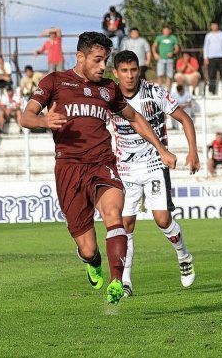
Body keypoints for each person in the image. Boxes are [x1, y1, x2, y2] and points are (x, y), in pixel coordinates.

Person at [20, 32, 177, 304]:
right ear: (80, 57)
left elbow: (135, 118)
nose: (103, 66)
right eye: (97, 60)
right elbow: (26, 116)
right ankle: (92, 262)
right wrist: (45, 121)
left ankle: (118, 282)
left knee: (114, 214)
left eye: (104, 59)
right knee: (88, 247)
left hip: (103, 163)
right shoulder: (55, 82)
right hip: (69, 168)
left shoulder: (108, 88)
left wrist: (161, 149)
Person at [112, 50, 199, 296]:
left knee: (162, 219)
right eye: (124, 71)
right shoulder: (110, 96)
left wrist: (193, 152)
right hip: (125, 169)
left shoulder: (154, 92)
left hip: (154, 164)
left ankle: (183, 256)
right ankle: (126, 281)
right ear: (116, 73)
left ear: (139, 70)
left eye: (134, 70)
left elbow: (185, 119)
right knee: (125, 224)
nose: (130, 76)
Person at [203, 21, 222, 96]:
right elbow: (206, 47)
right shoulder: (208, 35)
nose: (214, 26)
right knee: (211, 75)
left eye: (215, 25)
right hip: (211, 58)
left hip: (221, 57)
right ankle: (211, 91)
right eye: (213, 25)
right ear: (211, 26)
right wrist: (205, 57)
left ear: (217, 25)